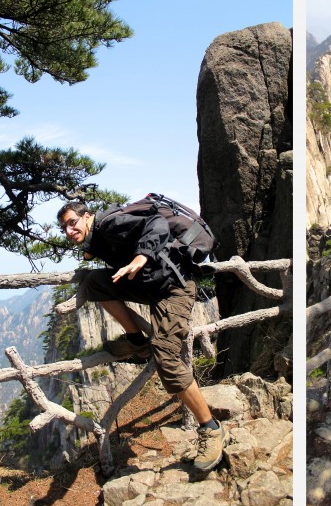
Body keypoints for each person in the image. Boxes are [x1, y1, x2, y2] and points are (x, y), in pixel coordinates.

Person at [57, 201, 229, 472]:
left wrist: (141, 256)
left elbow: (157, 222)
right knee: (94, 283)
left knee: (165, 355)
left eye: (72, 222)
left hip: (174, 289)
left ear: (87, 216)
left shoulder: (111, 223)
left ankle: (211, 428)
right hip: (149, 285)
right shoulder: (97, 236)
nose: (68, 230)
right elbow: (104, 248)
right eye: (63, 227)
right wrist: (90, 249)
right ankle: (137, 342)